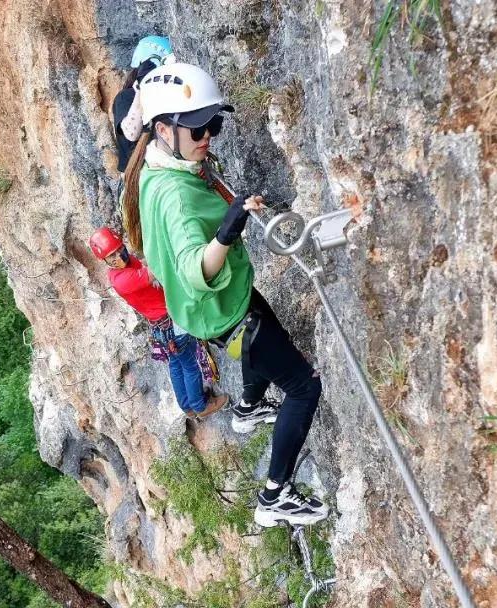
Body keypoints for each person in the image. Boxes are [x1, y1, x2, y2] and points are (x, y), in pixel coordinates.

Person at [120, 62, 328, 527]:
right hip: (224, 312)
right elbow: (196, 271)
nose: (207, 135)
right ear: (162, 129)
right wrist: (229, 228)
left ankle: (250, 408)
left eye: (212, 123)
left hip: (225, 308)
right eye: (196, 128)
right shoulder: (173, 194)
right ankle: (275, 496)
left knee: (264, 339)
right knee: (303, 387)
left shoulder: (157, 172)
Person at [90, 226, 228, 419]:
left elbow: (144, 265)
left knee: (176, 364)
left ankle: (187, 406)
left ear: (122, 245)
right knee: (189, 364)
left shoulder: (125, 265)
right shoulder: (122, 279)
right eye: (111, 257)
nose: (118, 258)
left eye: (118, 251)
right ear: (104, 260)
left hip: (160, 325)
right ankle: (201, 405)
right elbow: (155, 271)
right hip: (171, 323)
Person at [111, 36, 174, 174]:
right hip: (137, 175)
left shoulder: (162, 99)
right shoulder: (126, 97)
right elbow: (131, 133)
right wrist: (143, 86)